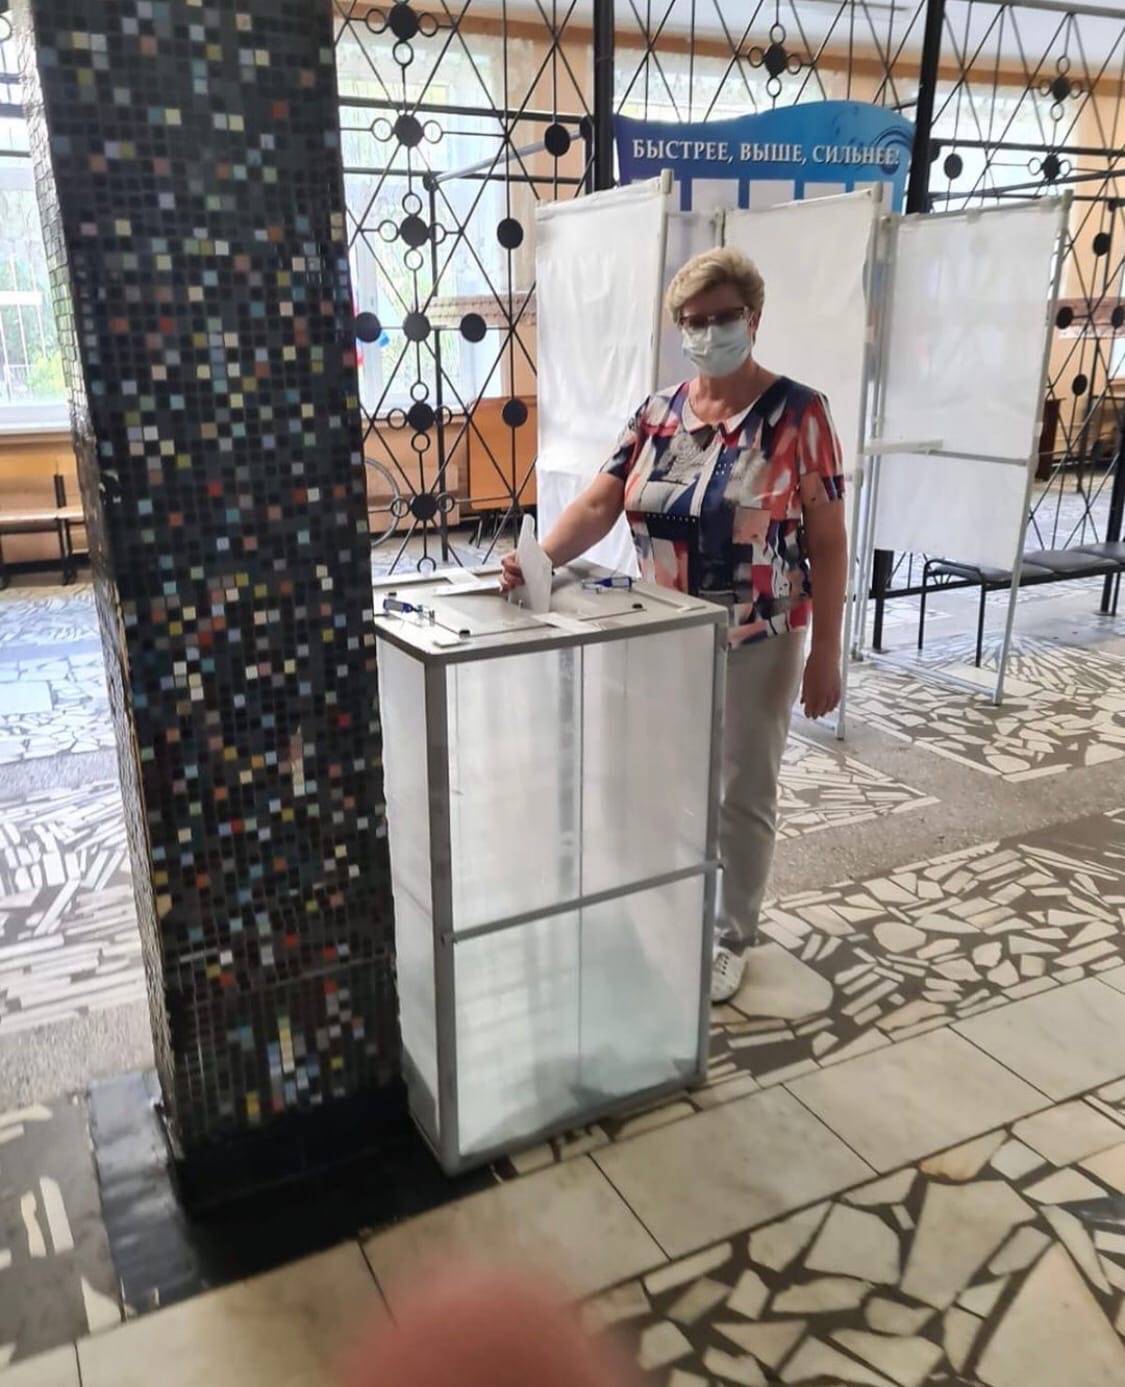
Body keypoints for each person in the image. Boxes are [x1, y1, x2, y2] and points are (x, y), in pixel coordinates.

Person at [501, 247, 848, 1004]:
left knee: (739, 789)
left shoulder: (798, 413)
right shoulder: (658, 412)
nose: (708, 332)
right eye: (693, 321)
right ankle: (664, 905)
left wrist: (826, 651)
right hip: (662, 632)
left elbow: (827, 539)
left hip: (758, 633)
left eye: (723, 317)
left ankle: (729, 935)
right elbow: (602, 500)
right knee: (657, 779)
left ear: (753, 318)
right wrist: (539, 558)